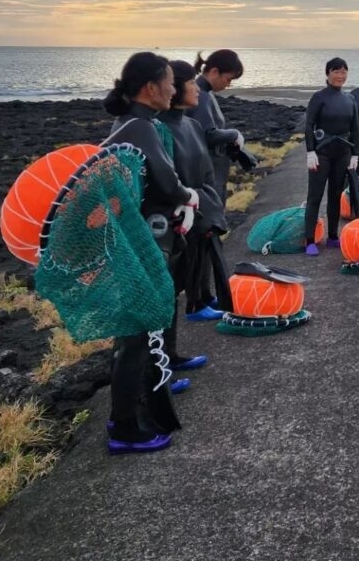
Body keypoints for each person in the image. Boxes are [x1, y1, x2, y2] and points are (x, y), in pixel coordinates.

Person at [102, 52, 198, 454]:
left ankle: (132, 410)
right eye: (169, 82)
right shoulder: (140, 126)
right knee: (137, 335)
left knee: (135, 333)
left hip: (125, 238)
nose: (174, 89)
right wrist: (188, 196)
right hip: (138, 243)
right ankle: (124, 426)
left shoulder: (124, 123)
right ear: (150, 87)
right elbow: (166, 180)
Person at [163, 61, 230, 327]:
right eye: (191, 83)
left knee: (198, 257)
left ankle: (198, 301)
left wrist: (209, 204)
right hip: (177, 214)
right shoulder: (160, 128)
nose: (197, 88)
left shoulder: (190, 125)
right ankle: (192, 305)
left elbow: (204, 170)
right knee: (176, 273)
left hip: (200, 206)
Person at [304, 58, 359, 256]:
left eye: (344, 72)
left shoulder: (350, 99)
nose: (340, 76)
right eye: (336, 71)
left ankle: (333, 236)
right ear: (328, 74)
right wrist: (310, 151)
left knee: (336, 195)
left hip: (342, 153)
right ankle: (309, 239)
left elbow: (355, 128)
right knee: (315, 196)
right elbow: (309, 125)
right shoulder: (319, 97)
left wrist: (355, 154)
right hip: (322, 153)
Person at [188, 49, 246, 207]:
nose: (228, 85)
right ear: (214, 72)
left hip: (212, 170)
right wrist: (233, 134)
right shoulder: (202, 95)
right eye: (228, 79)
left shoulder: (205, 93)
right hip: (209, 173)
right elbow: (208, 134)